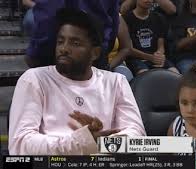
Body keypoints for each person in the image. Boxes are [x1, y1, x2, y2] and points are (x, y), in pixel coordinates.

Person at [9, 8, 146, 155]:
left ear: (95, 53)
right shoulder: (34, 79)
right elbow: (20, 145)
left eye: (75, 43)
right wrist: (82, 142)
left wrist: (102, 144)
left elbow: (137, 134)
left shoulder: (116, 82)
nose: (64, 49)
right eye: (61, 41)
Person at [25, 0, 120, 70]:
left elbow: (49, 18)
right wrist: (102, 48)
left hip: (57, 56)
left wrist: (36, 53)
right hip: (96, 51)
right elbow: (114, 21)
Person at [123, 0, 179, 75]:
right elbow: (129, 49)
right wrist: (150, 58)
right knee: (145, 76)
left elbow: (161, 44)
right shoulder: (126, 19)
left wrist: (159, 55)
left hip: (154, 57)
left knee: (175, 74)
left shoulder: (159, 18)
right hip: (136, 59)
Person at [108, 15, 134, 81]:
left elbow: (126, 49)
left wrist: (108, 67)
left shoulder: (117, 17)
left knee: (124, 78)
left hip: (114, 62)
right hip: (87, 64)